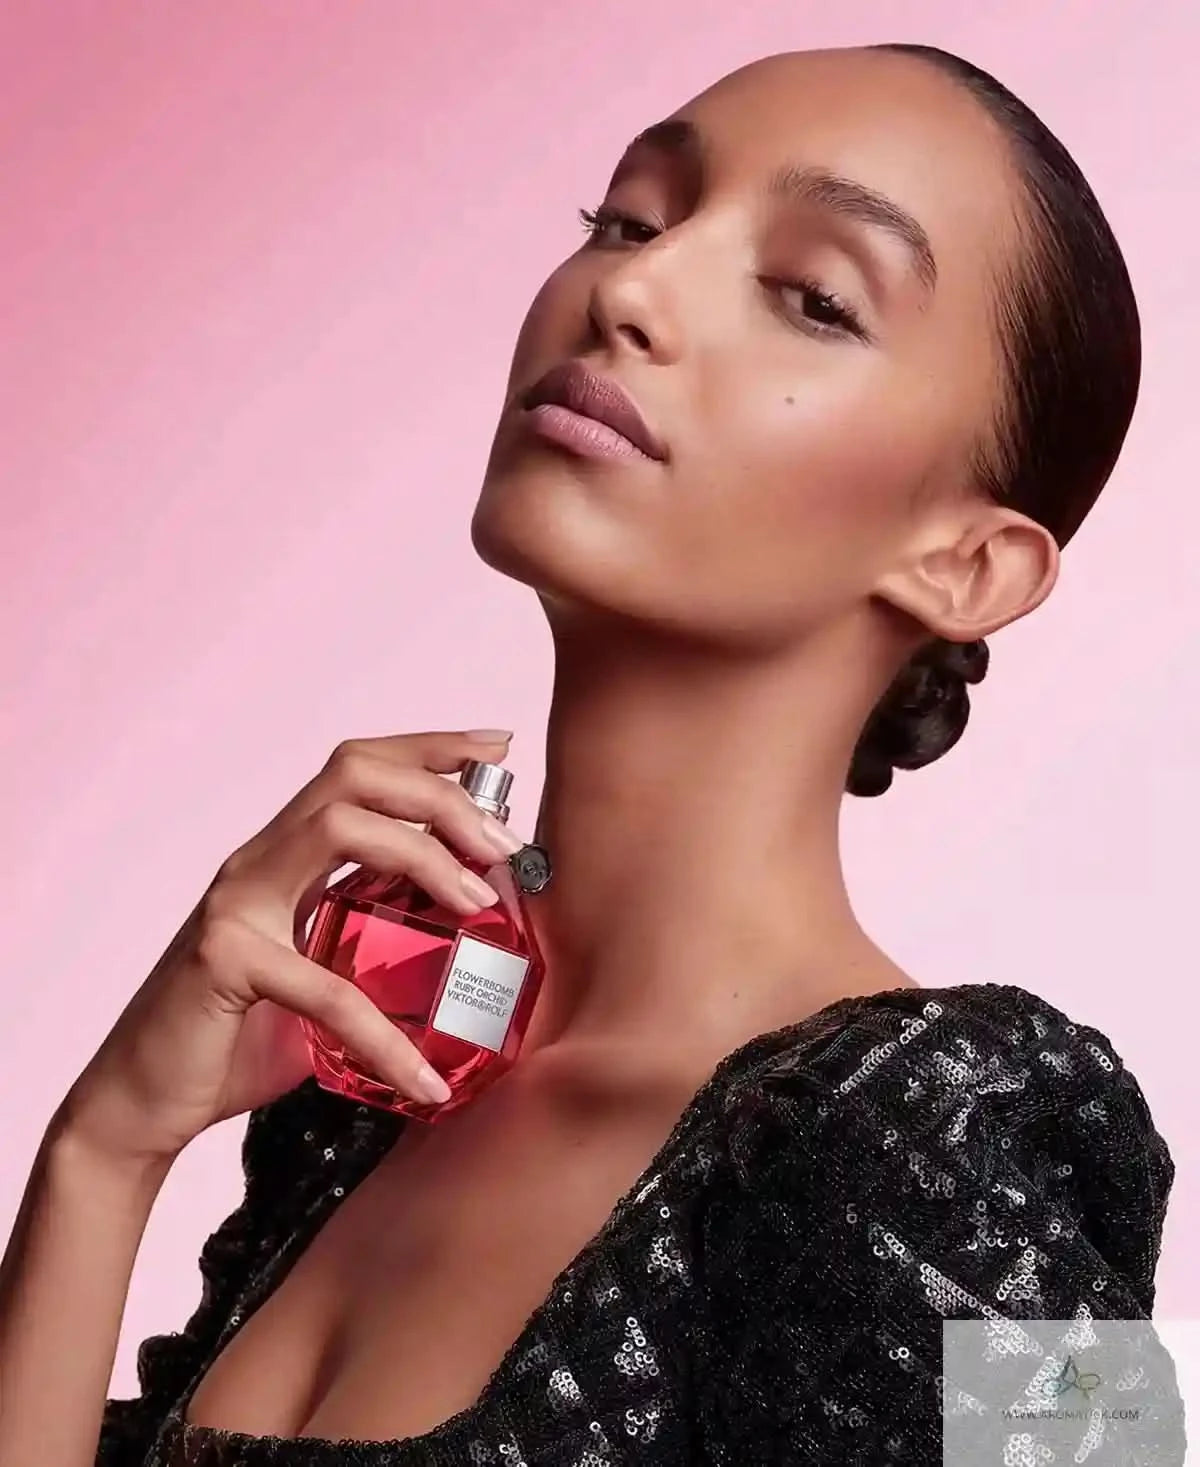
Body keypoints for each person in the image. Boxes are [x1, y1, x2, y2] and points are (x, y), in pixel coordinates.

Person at [0, 42, 1183, 1467]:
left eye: (814, 298)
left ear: (968, 564)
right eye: (628, 220)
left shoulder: (954, 1137)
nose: (628, 289)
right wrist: (106, 1154)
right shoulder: (366, 1100)